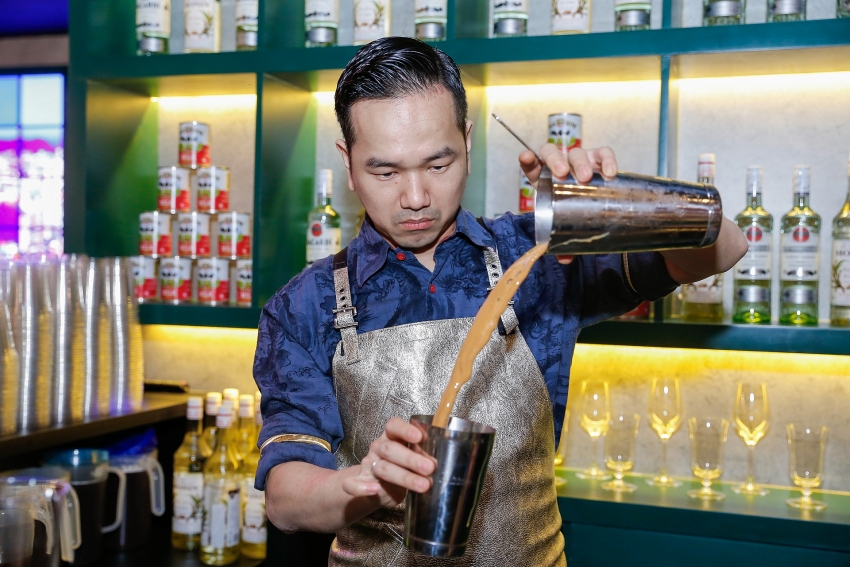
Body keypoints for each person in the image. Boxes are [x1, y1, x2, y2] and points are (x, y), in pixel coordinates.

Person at [253, 37, 747, 566]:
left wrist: (618, 200)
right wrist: (365, 483)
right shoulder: (305, 304)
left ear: (467, 142)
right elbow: (285, 498)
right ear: (348, 164)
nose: (416, 198)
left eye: (437, 165)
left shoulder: (540, 256)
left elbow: (725, 249)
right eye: (386, 172)